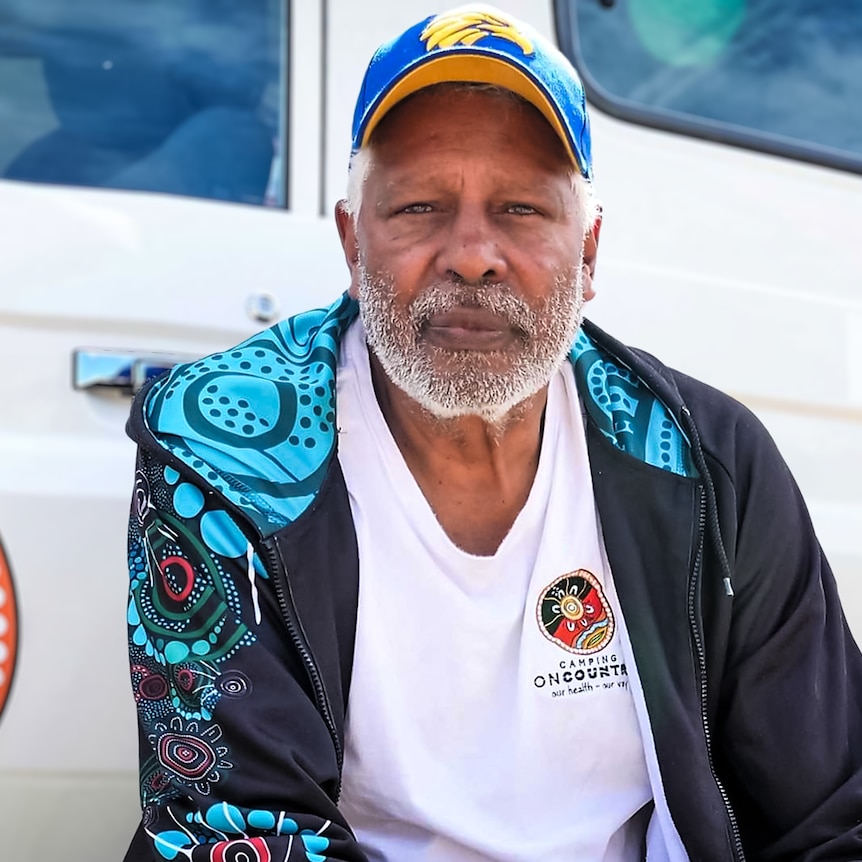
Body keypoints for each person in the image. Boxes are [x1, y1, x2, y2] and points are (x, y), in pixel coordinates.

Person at [122, 6, 862, 861]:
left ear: (587, 254)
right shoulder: (222, 456)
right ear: (351, 241)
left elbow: (835, 810)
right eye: (420, 206)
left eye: (518, 208)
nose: (472, 254)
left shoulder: (707, 461)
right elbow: (232, 831)